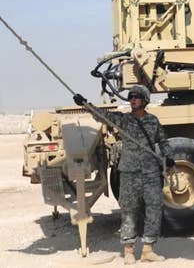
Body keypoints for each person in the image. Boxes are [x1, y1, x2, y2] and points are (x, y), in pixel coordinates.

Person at [74, 85, 172, 264]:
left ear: (144, 101)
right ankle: (129, 251)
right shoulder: (124, 120)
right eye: (131, 97)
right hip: (129, 173)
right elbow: (102, 116)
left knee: (154, 208)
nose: (132, 100)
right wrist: (85, 104)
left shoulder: (153, 121)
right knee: (129, 210)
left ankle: (148, 250)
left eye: (136, 97)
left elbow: (163, 141)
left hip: (151, 172)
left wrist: (169, 157)